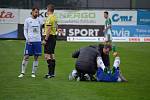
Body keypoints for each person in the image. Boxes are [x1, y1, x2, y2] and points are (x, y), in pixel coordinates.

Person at [18, 7, 42, 78]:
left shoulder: (40, 20)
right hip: (29, 41)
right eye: (35, 12)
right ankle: (22, 72)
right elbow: (25, 30)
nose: (36, 13)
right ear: (32, 12)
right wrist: (27, 38)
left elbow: (42, 29)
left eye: (37, 12)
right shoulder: (27, 20)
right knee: (26, 56)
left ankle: (33, 73)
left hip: (37, 41)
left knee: (36, 57)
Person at [42, 4, 58, 78]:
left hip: (49, 37)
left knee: (46, 55)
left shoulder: (49, 18)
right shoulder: (54, 17)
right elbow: (56, 26)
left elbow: (48, 30)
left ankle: (50, 73)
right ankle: (52, 73)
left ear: (48, 10)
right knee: (52, 55)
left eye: (46, 9)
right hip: (54, 37)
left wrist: (45, 39)